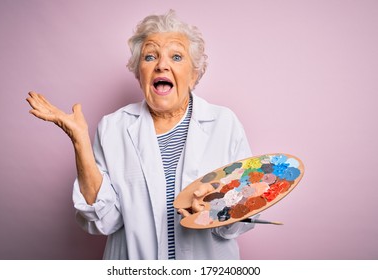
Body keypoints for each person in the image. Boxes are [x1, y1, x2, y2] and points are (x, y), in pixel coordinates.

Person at [26, 10, 256, 260]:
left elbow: (241, 220)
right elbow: (105, 221)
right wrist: (80, 141)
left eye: (176, 56)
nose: (162, 65)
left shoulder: (224, 124)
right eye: (150, 56)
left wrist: (215, 207)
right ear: (139, 73)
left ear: (194, 74)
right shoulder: (112, 128)